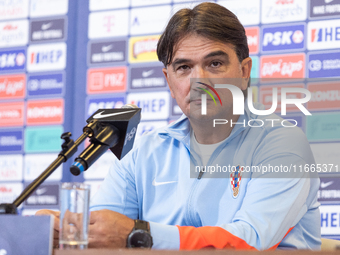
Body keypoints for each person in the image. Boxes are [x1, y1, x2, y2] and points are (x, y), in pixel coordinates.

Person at [37, 2, 321, 250]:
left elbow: (251, 240)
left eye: (215, 63)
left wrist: (141, 236)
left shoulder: (282, 144)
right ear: (169, 81)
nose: (199, 81)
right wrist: (66, 230)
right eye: (184, 68)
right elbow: (101, 235)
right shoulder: (143, 153)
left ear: (244, 72)